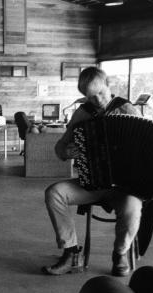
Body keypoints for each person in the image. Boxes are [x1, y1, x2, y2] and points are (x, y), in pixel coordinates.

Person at [42, 67, 142, 277]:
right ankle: (71, 253)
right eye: (90, 97)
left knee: (133, 205)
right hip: (92, 183)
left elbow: (148, 146)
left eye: (101, 93)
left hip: (125, 186)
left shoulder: (127, 109)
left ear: (108, 85)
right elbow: (60, 148)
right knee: (54, 192)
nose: (97, 100)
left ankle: (120, 253)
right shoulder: (82, 114)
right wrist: (67, 151)